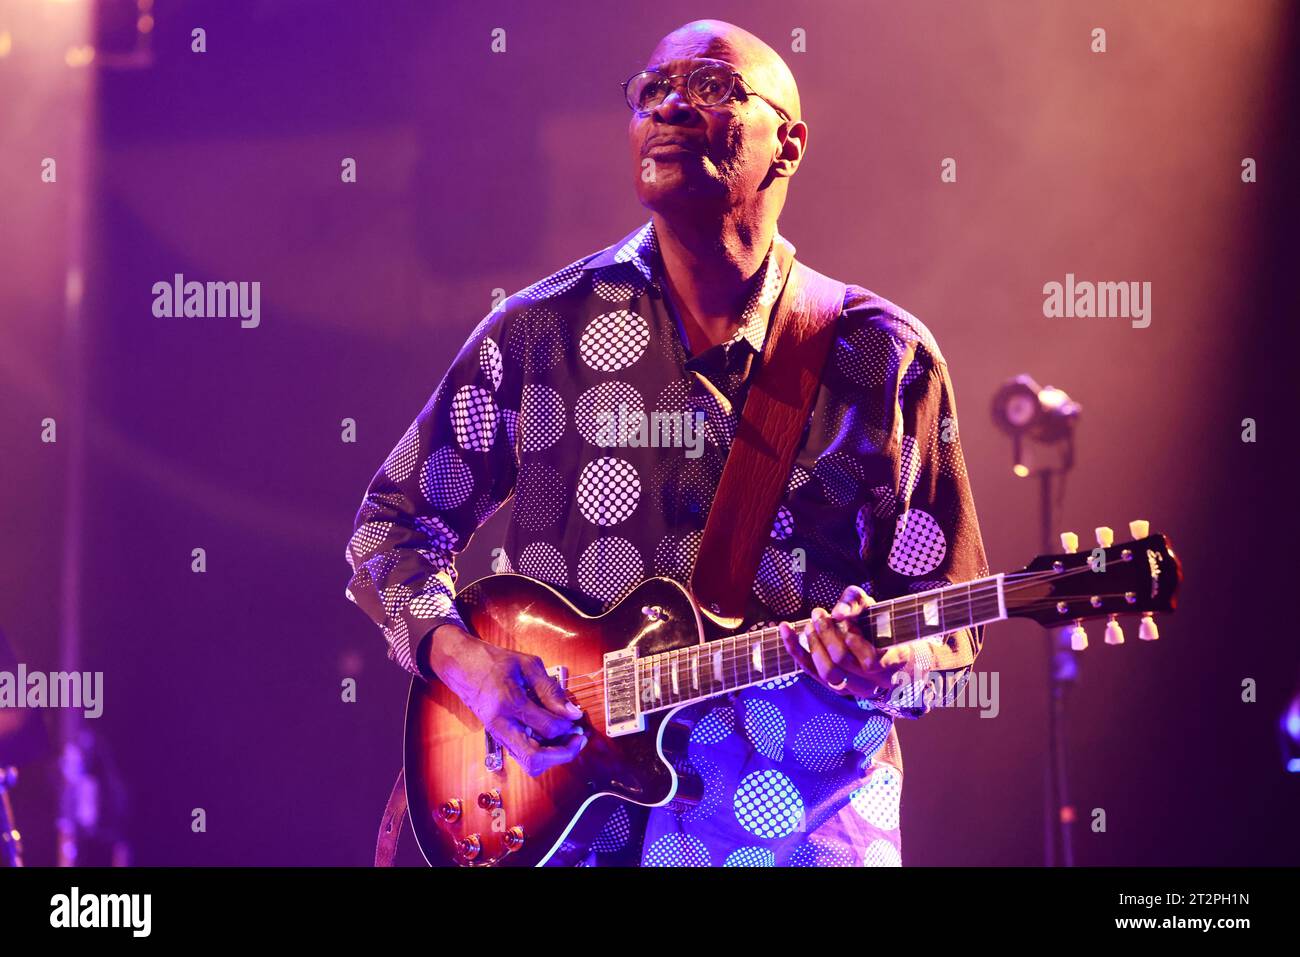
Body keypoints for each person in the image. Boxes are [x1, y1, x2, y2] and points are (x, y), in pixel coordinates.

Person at [345, 19, 989, 866]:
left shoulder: (882, 355)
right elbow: (389, 530)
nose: (673, 104)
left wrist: (890, 662)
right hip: (572, 831)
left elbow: (947, 616)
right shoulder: (539, 332)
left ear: (788, 143)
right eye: (653, 89)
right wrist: (470, 668)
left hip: (802, 824)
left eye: (713, 86)